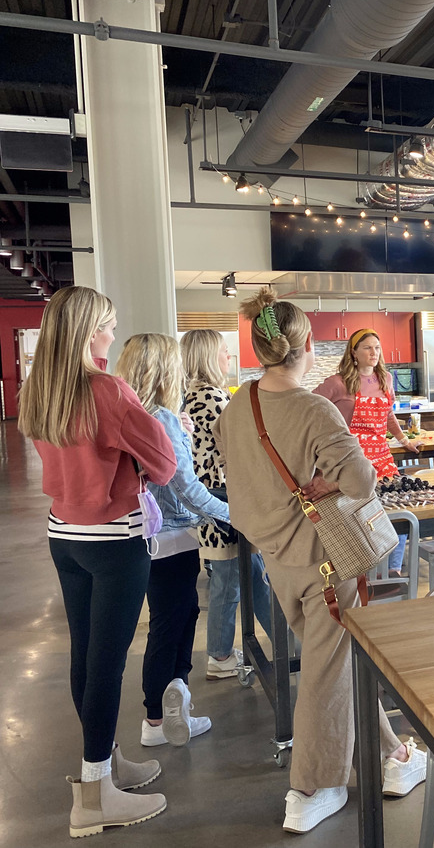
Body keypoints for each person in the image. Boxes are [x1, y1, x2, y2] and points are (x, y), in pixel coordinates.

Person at [215, 288, 425, 834]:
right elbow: (363, 479)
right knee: (325, 673)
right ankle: (310, 788)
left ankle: (390, 756)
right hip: (323, 558)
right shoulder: (314, 408)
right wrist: (328, 478)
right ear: (307, 344)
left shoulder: (241, 402)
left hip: (274, 554)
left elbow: (233, 461)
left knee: (338, 660)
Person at [19, 286, 174, 837]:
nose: (113, 333)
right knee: (107, 665)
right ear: (90, 332)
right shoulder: (107, 389)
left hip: (66, 535)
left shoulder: (42, 388)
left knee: (85, 657)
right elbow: (164, 460)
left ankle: (103, 765)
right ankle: (94, 794)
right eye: (108, 325)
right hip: (114, 538)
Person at [114, 334, 230, 749]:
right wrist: (235, 514)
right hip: (173, 534)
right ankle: (158, 718)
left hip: (147, 535)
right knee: (172, 621)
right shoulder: (160, 417)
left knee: (180, 614)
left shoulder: (133, 413)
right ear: (166, 369)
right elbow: (187, 488)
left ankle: (173, 702)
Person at [180, 329, 273, 681]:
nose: (228, 357)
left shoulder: (196, 396)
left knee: (249, 576)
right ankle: (219, 655)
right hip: (222, 502)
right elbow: (240, 449)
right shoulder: (212, 398)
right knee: (230, 580)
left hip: (214, 500)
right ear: (207, 356)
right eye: (222, 351)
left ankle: (287, 641)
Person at [315, 328, 420, 572]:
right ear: (354, 352)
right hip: (350, 459)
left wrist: (404, 441)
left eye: (377, 348)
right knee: (359, 517)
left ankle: (392, 570)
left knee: (395, 512)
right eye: (367, 348)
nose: (374, 353)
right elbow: (310, 409)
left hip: (382, 456)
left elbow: (389, 415)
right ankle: (364, 572)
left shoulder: (386, 379)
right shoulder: (337, 382)